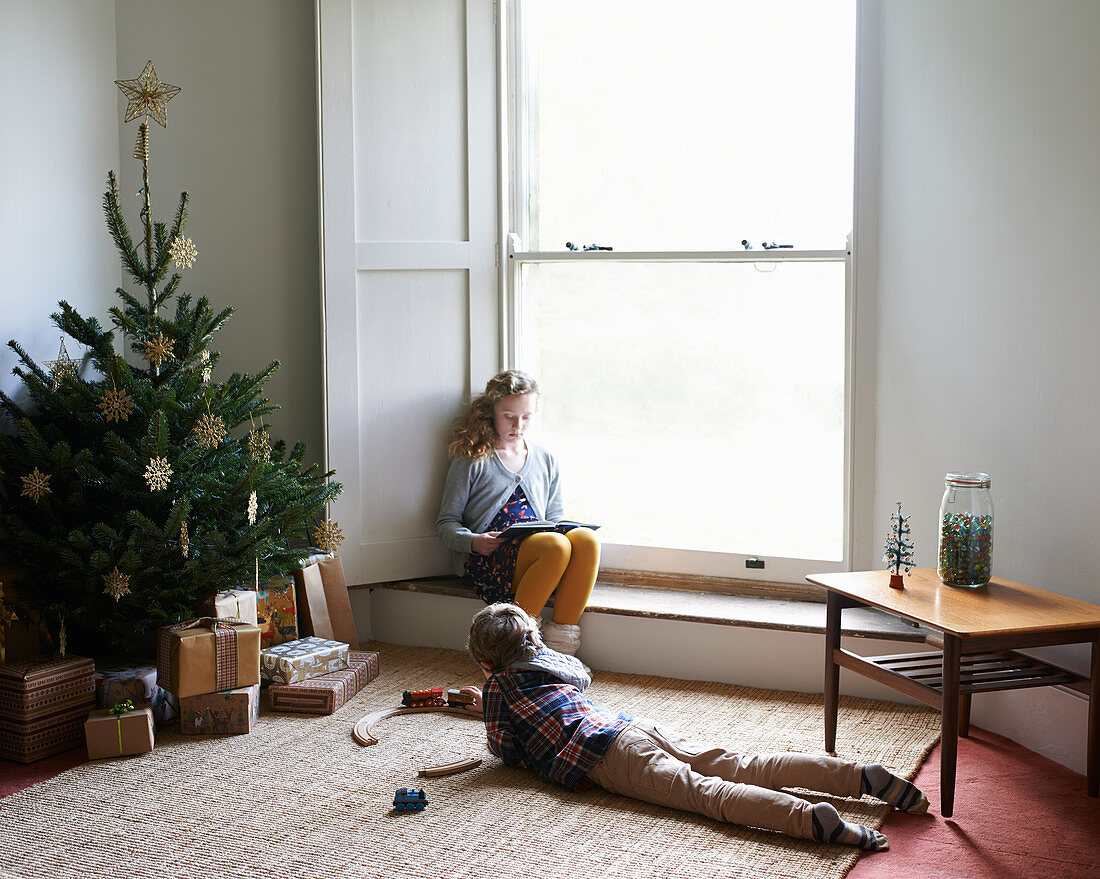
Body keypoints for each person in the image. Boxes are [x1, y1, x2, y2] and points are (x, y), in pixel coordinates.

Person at [458, 603, 929, 853]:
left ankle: (810, 821)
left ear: (485, 663)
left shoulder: (499, 687)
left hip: (607, 755)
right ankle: (860, 776)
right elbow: (578, 680)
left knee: (707, 795)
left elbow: (505, 750)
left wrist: (489, 705)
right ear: (534, 640)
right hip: (631, 725)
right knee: (743, 764)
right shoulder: (555, 663)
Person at [437, 370, 599, 656]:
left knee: (586, 539)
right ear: (490, 412)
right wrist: (474, 541)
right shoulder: (472, 460)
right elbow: (447, 523)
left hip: (540, 553)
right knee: (555, 544)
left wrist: (568, 529)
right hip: (491, 561)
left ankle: (561, 652)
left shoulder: (545, 459)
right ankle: (520, 651)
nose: (518, 424)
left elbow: (556, 516)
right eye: (509, 416)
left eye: (526, 417)